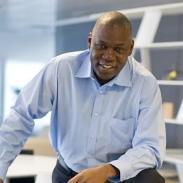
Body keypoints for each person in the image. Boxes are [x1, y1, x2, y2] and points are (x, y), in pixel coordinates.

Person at [0, 11, 165, 183]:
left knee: (151, 179)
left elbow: (150, 148)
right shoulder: (60, 69)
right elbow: (21, 115)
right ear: (89, 42)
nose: (108, 56)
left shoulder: (145, 83)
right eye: (101, 46)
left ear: (130, 48)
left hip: (117, 177)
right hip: (68, 174)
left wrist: (108, 170)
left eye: (118, 49)